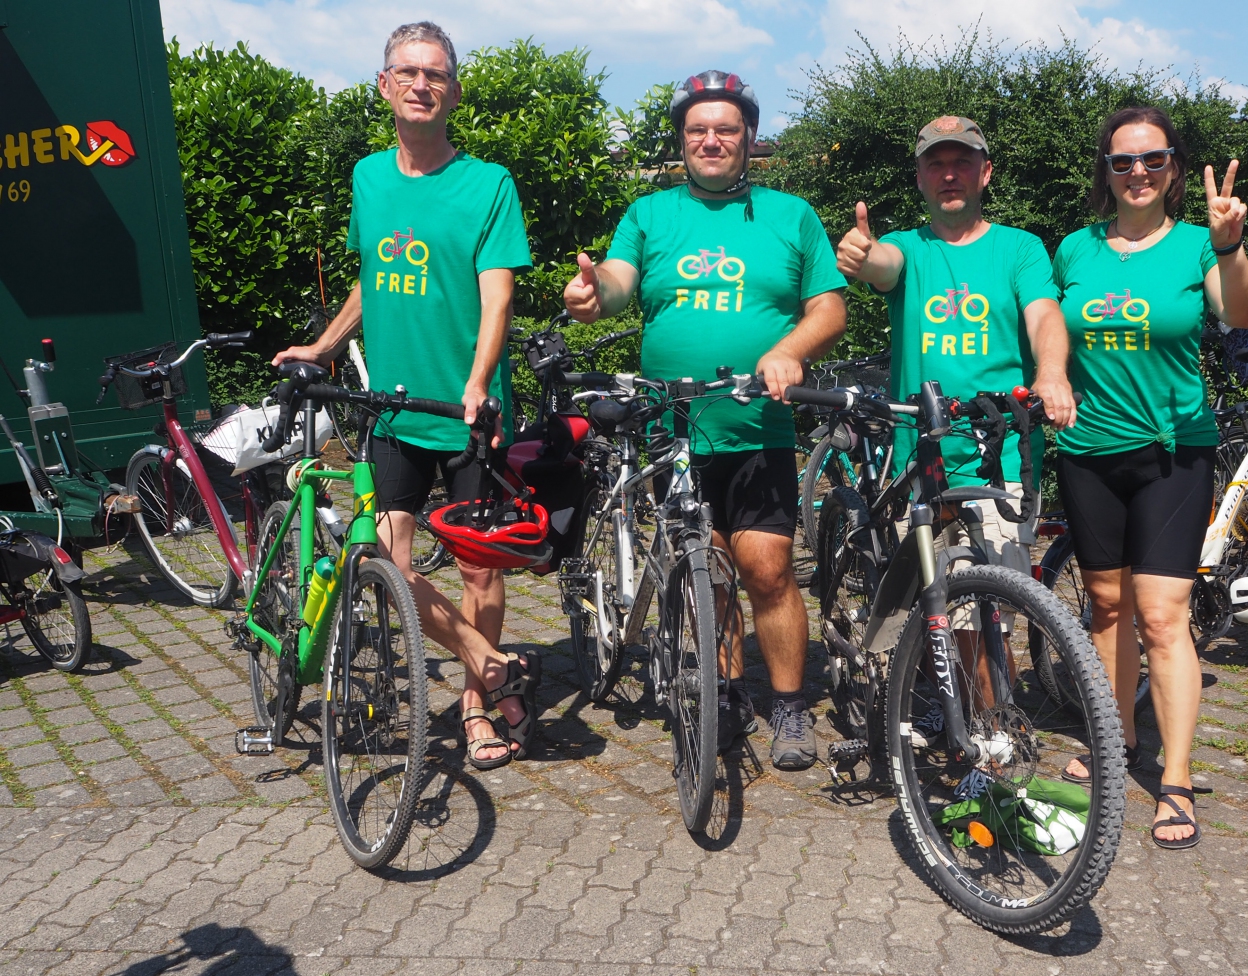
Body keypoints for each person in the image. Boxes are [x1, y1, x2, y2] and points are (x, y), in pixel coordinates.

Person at [274, 21, 539, 771]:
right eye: (409, 72)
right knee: (386, 559)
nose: (422, 84)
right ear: (385, 85)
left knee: (481, 570)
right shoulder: (368, 178)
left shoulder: (488, 184)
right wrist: (325, 345)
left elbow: (498, 297)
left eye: (437, 74)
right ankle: (490, 662)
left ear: (453, 91)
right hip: (392, 411)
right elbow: (373, 279)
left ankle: (476, 706)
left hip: (466, 413)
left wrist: (478, 381)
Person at [563, 70, 847, 770]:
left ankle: (788, 705)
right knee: (708, 571)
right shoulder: (649, 214)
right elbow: (620, 281)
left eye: (725, 129)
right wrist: (594, 292)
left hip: (758, 424)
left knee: (767, 569)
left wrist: (789, 351)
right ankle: (725, 692)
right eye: (698, 130)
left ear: (749, 137)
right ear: (683, 140)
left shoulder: (791, 215)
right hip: (674, 427)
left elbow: (829, 307)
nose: (711, 140)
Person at [835, 114, 1073, 798]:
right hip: (922, 453)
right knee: (939, 601)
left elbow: (1043, 316)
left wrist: (1051, 373)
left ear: (984, 172)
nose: (949, 174)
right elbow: (881, 266)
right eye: (935, 163)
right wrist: (861, 255)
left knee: (991, 605)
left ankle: (992, 743)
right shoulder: (907, 248)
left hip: (998, 449)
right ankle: (958, 714)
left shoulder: (1020, 249)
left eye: (962, 162)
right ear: (919, 176)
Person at [1053, 105, 1248, 848]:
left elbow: (1243, 315)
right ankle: (1115, 742)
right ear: (1105, 172)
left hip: (1173, 453)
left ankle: (1175, 779)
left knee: (1163, 614)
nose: (1137, 172)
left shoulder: (1199, 245)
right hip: (1087, 449)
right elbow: (1049, 331)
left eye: (1152, 159)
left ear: (1173, 168)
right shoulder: (1073, 250)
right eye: (1122, 161)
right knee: (1107, 606)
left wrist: (1231, 246)